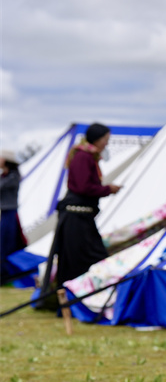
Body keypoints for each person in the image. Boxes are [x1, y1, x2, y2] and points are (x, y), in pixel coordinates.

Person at [39, 123, 121, 299]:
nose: (107, 143)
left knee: (80, 259)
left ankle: (80, 297)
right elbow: (83, 187)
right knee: (85, 258)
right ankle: (72, 297)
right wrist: (108, 189)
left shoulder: (89, 156)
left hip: (82, 216)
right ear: (98, 139)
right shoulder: (83, 157)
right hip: (76, 217)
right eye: (105, 139)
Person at [0, 149, 27, 284]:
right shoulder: (5, 176)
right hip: (4, 214)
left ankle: (7, 274)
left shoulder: (13, 176)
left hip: (9, 214)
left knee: (7, 244)